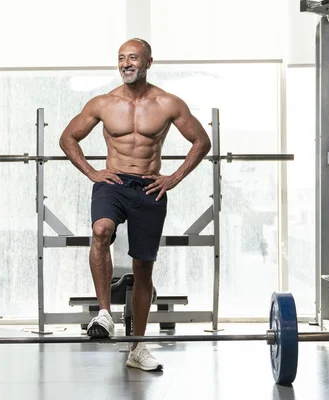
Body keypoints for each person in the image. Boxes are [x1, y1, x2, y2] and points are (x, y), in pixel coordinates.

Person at [59, 38, 211, 371]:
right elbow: (67, 138)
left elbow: (202, 141)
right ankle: (104, 313)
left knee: (143, 268)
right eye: (121, 58)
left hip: (149, 187)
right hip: (112, 183)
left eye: (133, 58)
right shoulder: (103, 102)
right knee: (101, 230)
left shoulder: (168, 103)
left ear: (149, 62)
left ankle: (138, 348)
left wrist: (174, 178)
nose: (126, 63)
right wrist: (92, 172)